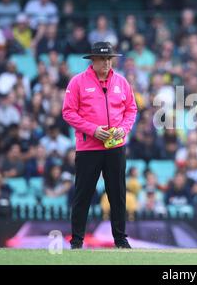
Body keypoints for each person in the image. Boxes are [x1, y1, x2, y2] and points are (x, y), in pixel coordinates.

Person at [62, 42, 138, 249]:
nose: (106, 62)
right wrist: (92, 130)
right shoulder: (77, 82)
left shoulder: (121, 82)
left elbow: (131, 109)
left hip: (115, 146)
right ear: (92, 60)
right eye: (102, 59)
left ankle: (121, 240)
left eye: (108, 59)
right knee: (83, 194)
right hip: (89, 148)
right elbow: (68, 112)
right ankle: (77, 241)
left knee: (118, 194)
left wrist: (123, 128)